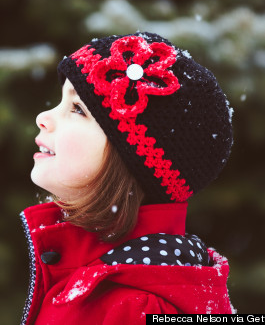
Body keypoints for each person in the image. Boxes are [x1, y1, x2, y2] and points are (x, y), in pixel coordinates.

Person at [20, 32, 235, 325]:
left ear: (130, 159)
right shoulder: (92, 276)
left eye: (78, 109)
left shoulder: (138, 308)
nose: (43, 117)